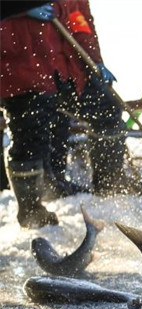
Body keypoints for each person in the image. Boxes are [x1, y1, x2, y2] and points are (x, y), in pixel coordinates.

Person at [50, 0, 128, 196]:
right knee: (49, 122)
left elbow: (82, 27)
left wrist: (96, 61)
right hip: (40, 69)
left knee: (108, 109)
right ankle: (52, 185)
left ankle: (109, 183)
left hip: (75, 70)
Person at [0, 4, 63, 227]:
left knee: (37, 136)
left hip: (37, 67)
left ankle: (36, 201)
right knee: (26, 137)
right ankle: (29, 210)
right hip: (14, 67)